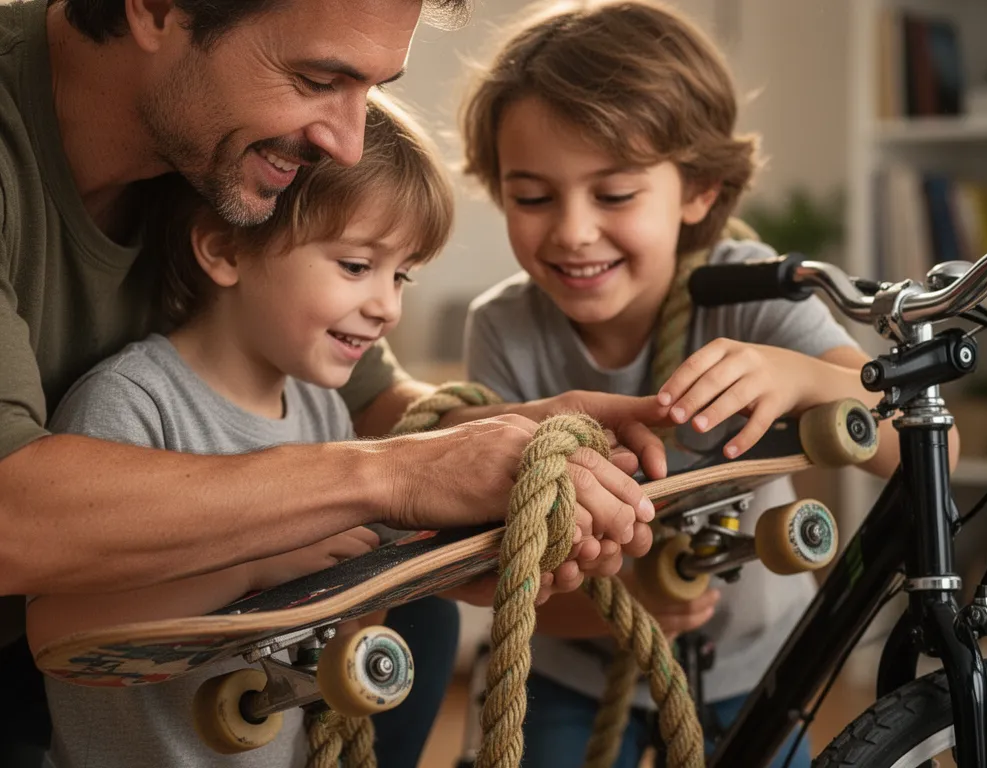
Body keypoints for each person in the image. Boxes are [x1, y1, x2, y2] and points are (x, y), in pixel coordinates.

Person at [0, 0, 664, 764]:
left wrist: (521, 448)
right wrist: (396, 476)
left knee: (419, 621)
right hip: (57, 669)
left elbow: (375, 407)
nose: (348, 145)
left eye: (372, 90)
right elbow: (10, 519)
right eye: (319, 78)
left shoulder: (224, 151)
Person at [457, 1, 921, 765]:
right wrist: (624, 610)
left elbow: (923, 445)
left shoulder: (752, 294)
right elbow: (504, 566)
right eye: (532, 196)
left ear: (699, 189)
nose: (572, 230)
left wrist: (802, 376)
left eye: (613, 194)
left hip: (751, 670)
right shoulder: (504, 330)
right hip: (569, 672)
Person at [27, 94, 466, 768]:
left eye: (401, 276)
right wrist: (254, 562)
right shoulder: (131, 404)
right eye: (356, 267)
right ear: (225, 249)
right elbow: (62, 632)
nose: (386, 307)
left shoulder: (323, 412)